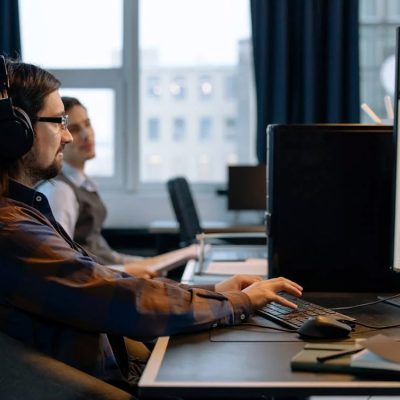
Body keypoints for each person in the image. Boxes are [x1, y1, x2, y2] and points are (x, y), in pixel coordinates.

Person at [0, 56, 302, 393]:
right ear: (16, 132)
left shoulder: (25, 214)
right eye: (58, 122)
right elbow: (117, 297)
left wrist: (216, 292)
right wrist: (238, 303)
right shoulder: (11, 230)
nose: (68, 137)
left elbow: (105, 278)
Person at [39, 96, 198, 279]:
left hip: (107, 273)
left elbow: (107, 255)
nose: (86, 134)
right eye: (74, 129)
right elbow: (63, 266)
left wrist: (149, 262)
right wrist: (131, 270)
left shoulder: (82, 183)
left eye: (88, 124)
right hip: (99, 285)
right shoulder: (61, 190)